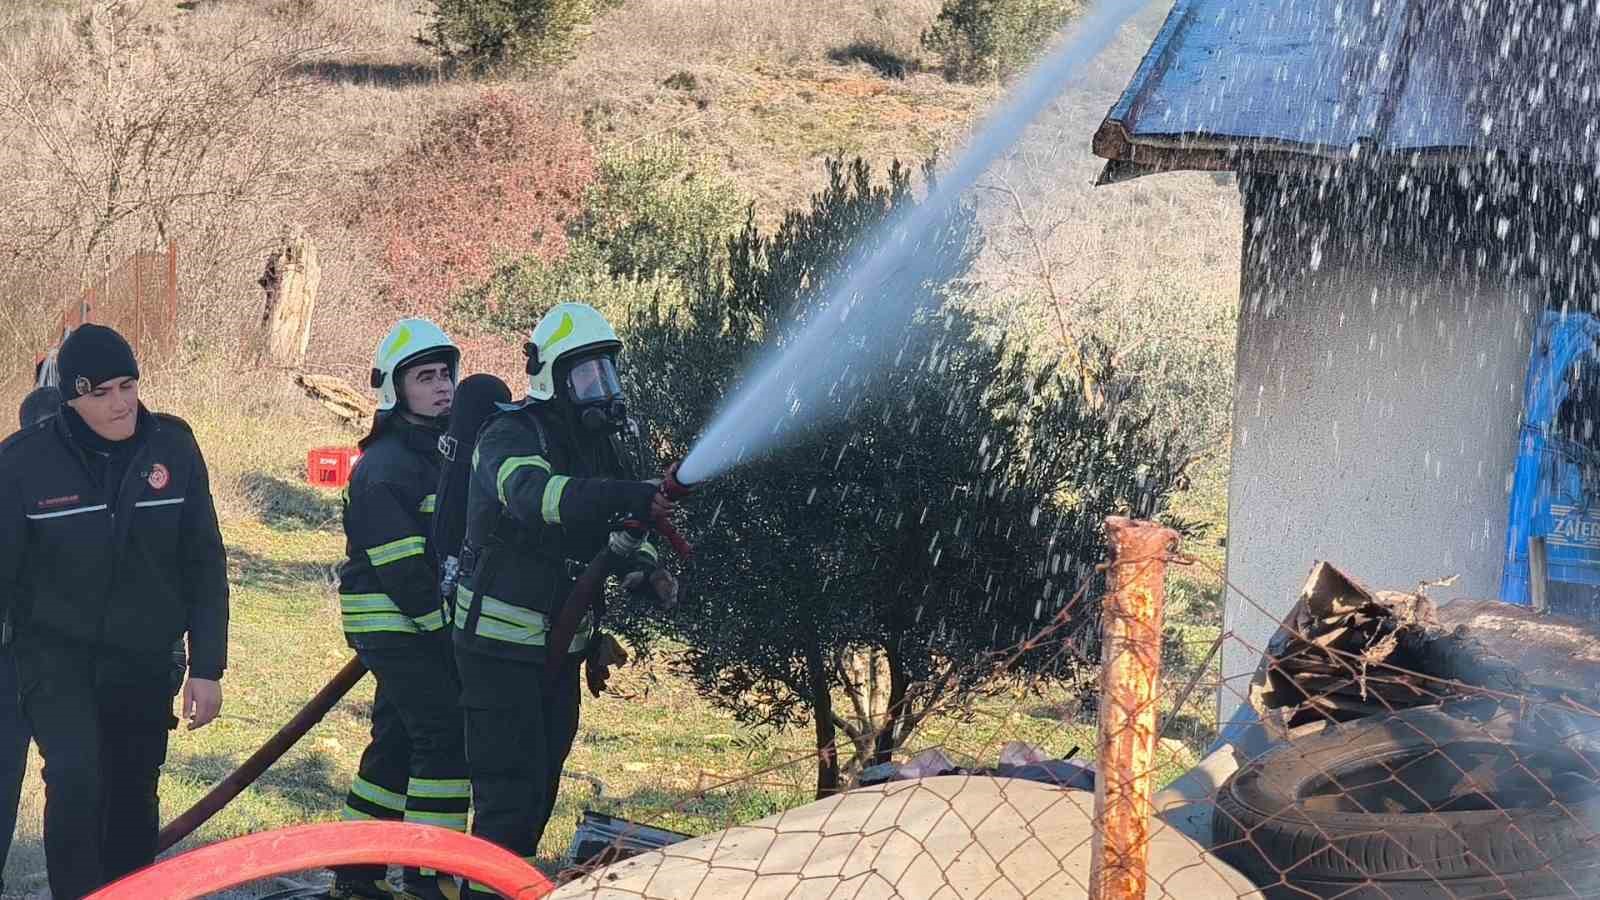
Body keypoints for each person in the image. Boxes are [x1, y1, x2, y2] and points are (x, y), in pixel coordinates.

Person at [453, 303, 677, 894]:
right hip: (499, 647)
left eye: (608, 372)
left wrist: (645, 571)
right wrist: (624, 493)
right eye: (587, 375)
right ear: (552, 376)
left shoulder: (596, 448)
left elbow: (620, 528)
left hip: (559, 650)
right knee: (509, 801)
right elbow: (538, 498)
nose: (601, 388)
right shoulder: (509, 433)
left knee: (540, 793)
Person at [0, 323, 229, 900]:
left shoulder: (173, 449)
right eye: (100, 393)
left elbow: (204, 560)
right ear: (70, 399)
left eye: (128, 385)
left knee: (133, 789)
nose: (120, 403)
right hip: (56, 659)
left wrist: (208, 665)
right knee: (76, 780)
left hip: (145, 656)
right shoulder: (23, 463)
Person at [328, 318, 465, 900]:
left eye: (445, 375)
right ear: (395, 389)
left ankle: (356, 873)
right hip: (396, 622)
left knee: (397, 743)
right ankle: (430, 876)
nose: (441, 387)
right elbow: (406, 574)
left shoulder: (439, 453)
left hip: (418, 621)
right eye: (424, 377)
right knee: (442, 735)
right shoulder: (385, 466)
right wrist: (447, 634)